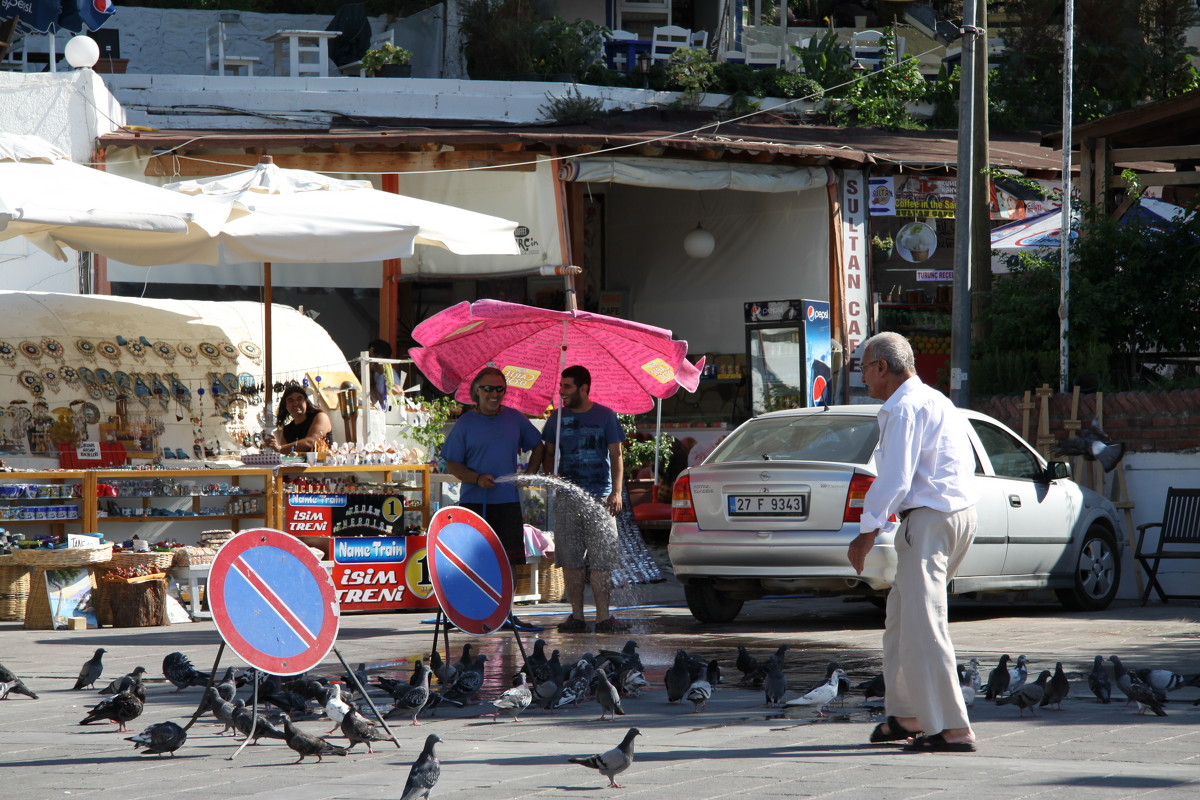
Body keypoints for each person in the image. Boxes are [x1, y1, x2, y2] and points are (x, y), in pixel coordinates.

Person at [847, 331, 978, 753]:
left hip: (930, 523)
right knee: (902, 620)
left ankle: (953, 727)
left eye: (863, 368)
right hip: (953, 516)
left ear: (882, 367)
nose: (862, 377)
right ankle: (907, 714)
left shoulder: (902, 407)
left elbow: (895, 480)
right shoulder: (937, 399)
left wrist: (865, 534)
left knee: (924, 625)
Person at [442, 367, 545, 632]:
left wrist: (528, 475)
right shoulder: (466, 423)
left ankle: (506, 612)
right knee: (470, 561)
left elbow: (539, 446)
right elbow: (453, 463)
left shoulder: (514, 419)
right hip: (475, 503)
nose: (495, 394)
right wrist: (476, 479)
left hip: (507, 502)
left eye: (500, 389)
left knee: (508, 561)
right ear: (476, 391)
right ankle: (470, 613)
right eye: (488, 388)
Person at [532, 365, 627, 634]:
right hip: (567, 498)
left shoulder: (606, 416)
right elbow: (548, 452)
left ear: (584, 388)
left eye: (567, 387)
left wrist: (617, 492)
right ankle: (576, 617)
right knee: (570, 561)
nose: (562, 392)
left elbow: (617, 455)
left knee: (602, 561)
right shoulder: (557, 418)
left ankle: (603, 618)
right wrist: (552, 477)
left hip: (600, 498)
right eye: (561, 386)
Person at [264, 384, 332, 455]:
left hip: (323, 465)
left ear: (306, 402)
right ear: (286, 406)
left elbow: (311, 442)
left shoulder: (320, 417)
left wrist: (280, 448)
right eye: (290, 400)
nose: (295, 403)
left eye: (299, 399)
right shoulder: (286, 430)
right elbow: (285, 454)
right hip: (297, 466)